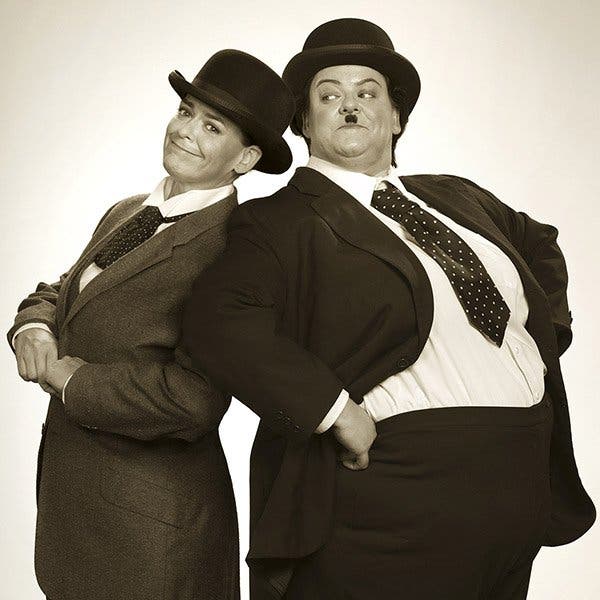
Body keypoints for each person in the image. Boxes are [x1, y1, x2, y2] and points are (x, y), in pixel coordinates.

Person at [181, 18, 595, 600]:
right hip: (392, 494)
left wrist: (542, 336)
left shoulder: (456, 195)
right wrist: (331, 410)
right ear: (304, 123)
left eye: (367, 92)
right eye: (329, 96)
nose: (350, 106)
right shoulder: (277, 220)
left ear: (396, 117)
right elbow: (218, 319)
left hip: (518, 485)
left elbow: (539, 244)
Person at [8, 49, 294, 600]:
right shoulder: (128, 211)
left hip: (153, 536)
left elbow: (195, 398)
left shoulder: (237, 247)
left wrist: (75, 381)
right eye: (186, 112)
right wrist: (35, 328)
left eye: (212, 127)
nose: (185, 131)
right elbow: (65, 290)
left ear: (245, 158)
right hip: (75, 515)